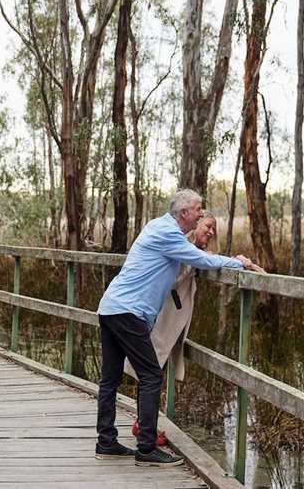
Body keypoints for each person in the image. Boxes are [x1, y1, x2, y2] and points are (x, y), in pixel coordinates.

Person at [95, 189, 261, 467]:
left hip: (111, 307)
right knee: (151, 377)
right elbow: (202, 260)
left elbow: (190, 258)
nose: (200, 213)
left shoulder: (159, 227)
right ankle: (146, 449)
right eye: (198, 209)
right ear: (184, 213)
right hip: (128, 312)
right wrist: (237, 262)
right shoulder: (167, 233)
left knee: (110, 379)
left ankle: (106, 442)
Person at [124, 215, 265, 445]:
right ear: (195, 225)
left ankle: (144, 423)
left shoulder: (188, 249)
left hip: (164, 316)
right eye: (208, 226)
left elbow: (204, 260)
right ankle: (144, 427)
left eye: (213, 229)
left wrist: (234, 260)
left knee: (151, 370)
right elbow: (198, 261)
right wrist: (238, 262)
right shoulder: (181, 246)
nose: (211, 232)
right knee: (151, 370)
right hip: (159, 315)